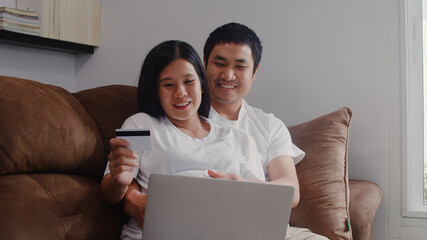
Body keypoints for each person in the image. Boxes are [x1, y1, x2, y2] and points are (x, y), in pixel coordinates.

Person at [122, 23, 329, 240]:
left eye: (240, 66)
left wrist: (244, 187)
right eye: (219, 63)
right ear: (203, 66)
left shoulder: (267, 126)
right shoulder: (165, 117)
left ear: (254, 71)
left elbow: (291, 192)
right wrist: (132, 198)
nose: (228, 75)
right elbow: (126, 171)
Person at [100, 40, 265, 240]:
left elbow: (260, 205)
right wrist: (120, 182)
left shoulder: (238, 138)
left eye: (189, 82)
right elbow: (108, 195)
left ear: (202, 84)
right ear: (156, 91)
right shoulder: (142, 126)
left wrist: (243, 186)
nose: (180, 93)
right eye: (168, 85)